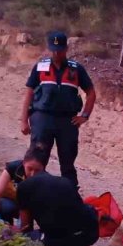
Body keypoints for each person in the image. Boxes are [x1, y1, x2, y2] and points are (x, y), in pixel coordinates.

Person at [20, 32, 95, 187]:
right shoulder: (41, 67)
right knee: (37, 160)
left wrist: (84, 116)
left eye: (60, 49)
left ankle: (70, 199)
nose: (56, 53)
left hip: (67, 121)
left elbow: (91, 93)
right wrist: (24, 120)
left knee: (67, 163)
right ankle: (33, 195)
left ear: (66, 48)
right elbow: (29, 93)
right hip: (42, 118)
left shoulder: (76, 69)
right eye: (53, 49)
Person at [15, 153, 99, 246]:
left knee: (31, 237)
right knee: (63, 230)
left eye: (35, 170)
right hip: (90, 234)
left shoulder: (23, 188)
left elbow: (25, 225)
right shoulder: (65, 181)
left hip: (60, 239)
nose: (32, 173)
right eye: (30, 169)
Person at [0, 143, 49, 224]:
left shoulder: (45, 179)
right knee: (3, 206)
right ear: (24, 163)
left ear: (43, 168)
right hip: (11, 203)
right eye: (29, 168)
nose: (32, 174)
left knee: (24, 230)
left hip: (29, 210)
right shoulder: (13, 167)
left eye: (37, 170)